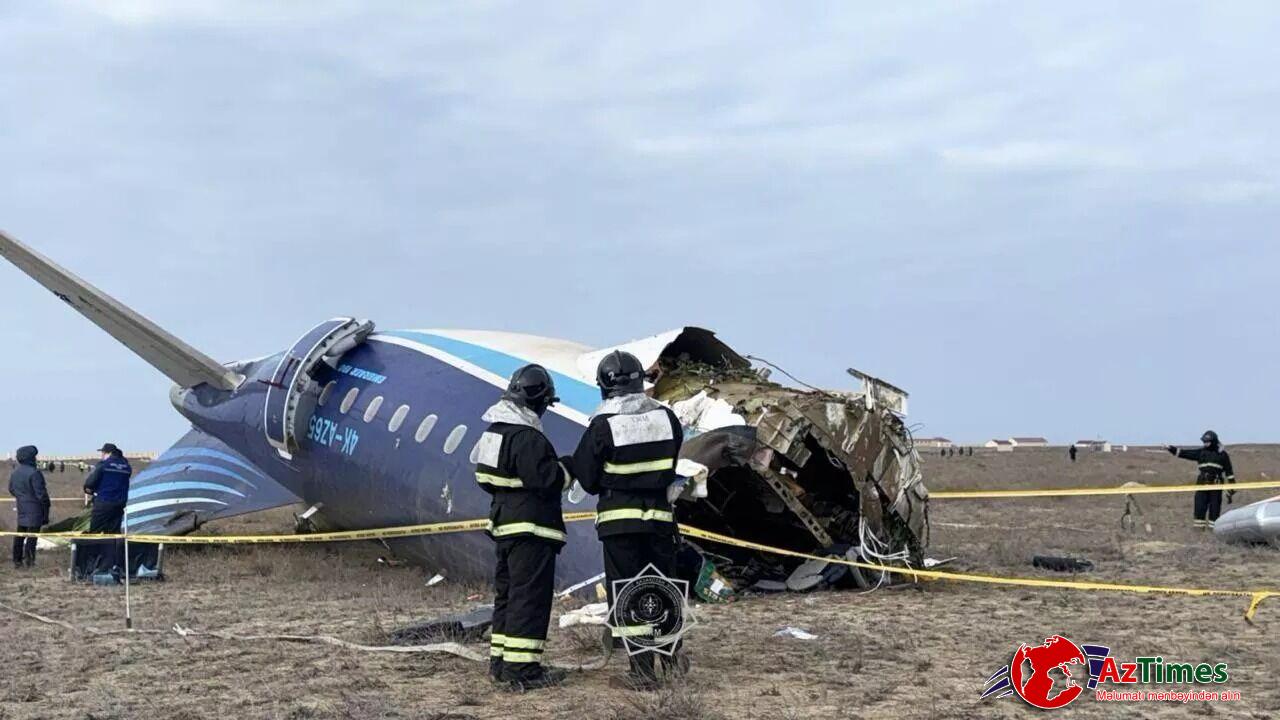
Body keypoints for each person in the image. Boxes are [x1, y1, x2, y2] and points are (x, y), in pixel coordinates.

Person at [567, 350, 687, 690]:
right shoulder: (667, 418)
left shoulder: (603, 425)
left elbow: (587, 478)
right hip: (661, 521)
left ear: (605, 386)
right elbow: (672, 464)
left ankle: (643, 671)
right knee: (664, 587)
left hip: (621, 524)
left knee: (629, 593)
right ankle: (672, 657)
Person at [475, 365, 570, 691]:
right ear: (540, 401)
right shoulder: (528, 437)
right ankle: (522, 670)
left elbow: (483, 479)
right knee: (529, 598)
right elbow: (547, 480)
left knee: (509, 596)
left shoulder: (494, 432)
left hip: (504, 526)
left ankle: (501, 664)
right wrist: (567, 469)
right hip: (532, 530)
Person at [1167, 430, 1235, 529]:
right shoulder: (1201, 452)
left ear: (1214, 441)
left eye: (1207, 442)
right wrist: (1170, 449)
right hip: (1202, 484)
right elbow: (1185, 453)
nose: (1205, 444)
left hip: (1216, 485)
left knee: (1214, 509)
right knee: (1199, 507)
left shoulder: (1223, 455)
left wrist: (1232, 489)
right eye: (1204, 442)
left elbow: (1229, 473)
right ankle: (1199, 531)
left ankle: (1214, 531)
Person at [8, 446, 50, 568]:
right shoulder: (35, 473)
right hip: (35, 509)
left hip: (21, 508)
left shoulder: (15, 472)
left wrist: (22, 498)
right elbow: (41, 494)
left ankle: (17, 561)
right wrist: (46, 507)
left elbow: (11, 489)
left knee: (20, 536)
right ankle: (30, 562)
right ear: (30, 458)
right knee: (32, 538)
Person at [84, 443, 132, 533]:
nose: (102, 455)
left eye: (103, 453)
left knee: (95, 532)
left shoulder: (103, 465)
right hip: (120, 504)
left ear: (109, 453)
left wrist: (89, 490)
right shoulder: (127, 467)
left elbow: (90, 483)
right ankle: (114, 547)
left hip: (103, 502)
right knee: (113, 533)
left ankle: (94, 547)